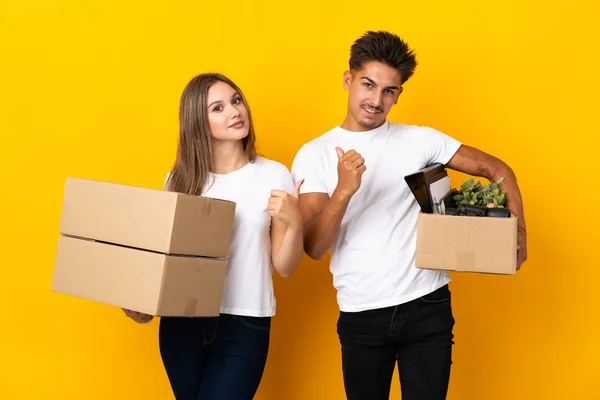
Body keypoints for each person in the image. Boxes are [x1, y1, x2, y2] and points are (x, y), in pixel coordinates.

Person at [291, 31, 527, 400]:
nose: (376, 100)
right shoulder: (315, 154)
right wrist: (344, 190)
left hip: (427, 305)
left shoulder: (420, 140)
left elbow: (497, 169)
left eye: (389, 91)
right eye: (368, 85)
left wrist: (519, 232)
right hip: (361, 312)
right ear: (347, 80)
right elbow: (314, 247)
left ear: (398, 94)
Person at [124, 72, 304, 400]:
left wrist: (295, 224)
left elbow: (285, 266)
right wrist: (138, 302)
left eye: (236, 101)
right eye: (218, 108)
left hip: (245, 323)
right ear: (198, 122)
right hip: (183, 324)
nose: (235, 111)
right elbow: (164, 259)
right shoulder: (179, 180)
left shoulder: (274, 174)